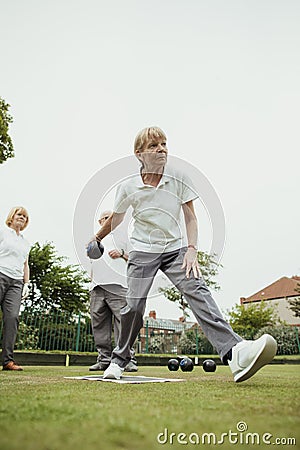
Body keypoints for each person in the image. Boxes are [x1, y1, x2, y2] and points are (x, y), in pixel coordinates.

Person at [92, 126, 277, 381]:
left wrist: (192, 249)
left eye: (164, 144)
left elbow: (190, 216)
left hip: (175, 248)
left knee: (197, 289)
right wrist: (97, 238)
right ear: (139, 154)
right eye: (154, 145)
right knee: (134, 305)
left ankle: (235, 353)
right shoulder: (127, 186)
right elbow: (117, 218)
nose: (161, 149)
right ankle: (119, 359)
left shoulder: (178, 176)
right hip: (143, 250)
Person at [87, 210, 138, 372]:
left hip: (118, 285)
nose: (111, 220)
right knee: (99, 325)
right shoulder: (95, 240)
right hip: (97, 287)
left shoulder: (123, 237)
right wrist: (91, 282)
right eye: (107, 218)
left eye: (112, 218)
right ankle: (104, 359)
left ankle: (127, 359)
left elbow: (136, 258)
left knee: (123, 323)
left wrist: (122, 253)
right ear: (101, 222)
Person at [0, 206, 31, 371]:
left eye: (25, 217)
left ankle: (7, 361)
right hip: (0, 274)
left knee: (12, 318)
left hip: (16, 282)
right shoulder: (3, 233)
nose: (22, 218)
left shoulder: (25, 242)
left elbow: (25, 264)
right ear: (11, 216)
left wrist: (26, 283)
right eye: (19, 214)